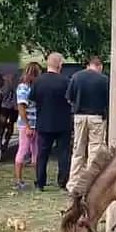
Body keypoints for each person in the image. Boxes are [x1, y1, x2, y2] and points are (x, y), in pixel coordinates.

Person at [29, 52, 72, 191]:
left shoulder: (38, 81)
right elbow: (71, 100)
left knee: (42, 154)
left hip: (44, 123)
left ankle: (40, 182)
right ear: (60, 65)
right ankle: (63, 181)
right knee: (63, 153)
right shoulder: (66, 82)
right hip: (63, 123)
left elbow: (32, 99)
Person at [65, 55, 109, 191]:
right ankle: (90, 182)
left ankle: (73, 183)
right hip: (96, 117)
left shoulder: (76, 77)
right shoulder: (104, 79)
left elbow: (69, 98)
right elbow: (108, 100)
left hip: (79, 116)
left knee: (78, 150)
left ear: (88, 65)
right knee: (94, 149)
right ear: (99, 66)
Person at [14, 62, 42, 191]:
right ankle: (18, 180)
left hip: (36, 123)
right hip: (27, 124)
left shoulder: (33, 87)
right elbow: (21, 108)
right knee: (23, 150)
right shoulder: (23, 88)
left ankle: (38, 179)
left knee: (36, 151)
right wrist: (27, 126)